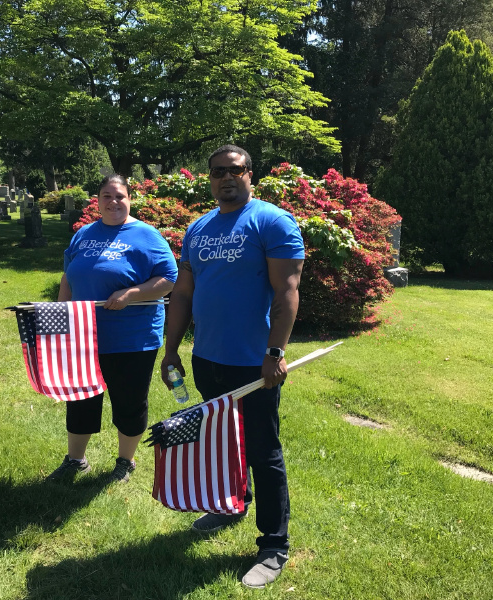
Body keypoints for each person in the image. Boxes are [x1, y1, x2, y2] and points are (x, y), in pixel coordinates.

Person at [161, 145, 305, 588]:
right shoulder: (198, 229)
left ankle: (274, 545)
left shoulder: (272, 221)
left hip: (252, 362)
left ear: (250, 175)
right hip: (208, 358)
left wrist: (275, 353)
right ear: (209, 179)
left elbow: (287, 291)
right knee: (224, 441)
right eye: (218, 172)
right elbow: (183, 294)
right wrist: (171, 351)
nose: (226, 177)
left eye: (235, 170)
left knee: (263, 449)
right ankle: (232, 503)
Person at [51, 174, 178, 483]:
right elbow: (69, 277)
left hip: (131, 338)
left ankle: (126, 461)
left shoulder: (146, 236)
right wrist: (62, 314)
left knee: (129, 401)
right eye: (106, 196)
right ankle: (76, 459)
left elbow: (169, 278)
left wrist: (131, 294)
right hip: (84, 335)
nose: (113, 202)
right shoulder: (83, 235)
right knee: (81, 398)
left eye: (119, 196)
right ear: (98, 200)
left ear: (129, 199)